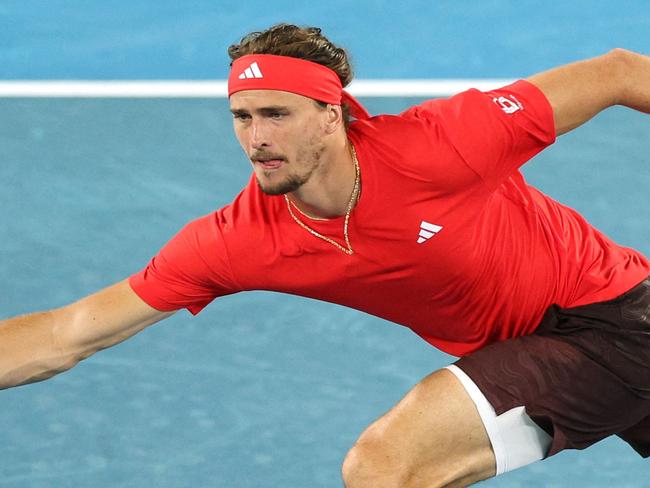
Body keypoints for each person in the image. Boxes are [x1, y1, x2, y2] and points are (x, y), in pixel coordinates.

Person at [1, 23, 649, 487]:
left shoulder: (443, 143)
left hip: (620, 320)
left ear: (331, 114)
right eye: (243, 116)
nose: (257, 138)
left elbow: (620, 71)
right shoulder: (239, 239)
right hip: (546, 350)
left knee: (388, 466)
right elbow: (67, 334)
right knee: (392, 468)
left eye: (276, 114)